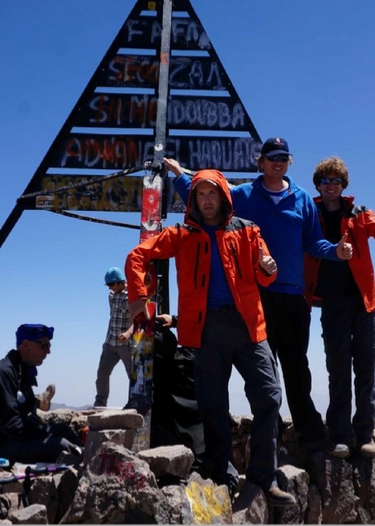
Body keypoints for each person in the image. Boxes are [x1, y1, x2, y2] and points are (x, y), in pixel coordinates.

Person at [164, 137, 354, 458]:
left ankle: (310, 438)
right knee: (264, 371)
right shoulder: (242, 195)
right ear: (261, 162)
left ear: (288, 162)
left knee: (297, 368)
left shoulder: (302, 199)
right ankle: (270, 442)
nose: (277, 162)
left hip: (294, 298)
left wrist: (336, 251)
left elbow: (313, 243)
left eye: (283, 157)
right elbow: (204, 197)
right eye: (271, 157)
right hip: (255, 297)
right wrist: (180, 174)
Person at [124, 168, 296, 508]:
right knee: (213, 406)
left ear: (223, 197)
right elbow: (138, 255)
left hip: (249, 327)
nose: (206, 200)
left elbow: (265, 276)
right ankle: (222, 476)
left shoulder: (248, 231)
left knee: (269, 398)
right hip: (205, 331)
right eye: (200, 195)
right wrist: (137, 298)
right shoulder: (183, 234)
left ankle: (263, 478)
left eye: (211, 194)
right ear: (193, 199)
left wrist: (268, 267)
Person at [304, 157, 375, 458]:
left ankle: (365, 436)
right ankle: (340, 435)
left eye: (336, 181)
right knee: (338, 370)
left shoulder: (357, 213)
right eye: (325, 180)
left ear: (343, 185)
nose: (331, 185)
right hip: (332, 304)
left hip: (363, 304)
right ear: (318, 185)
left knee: (365, 371)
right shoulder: (311, 213)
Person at [0, 323, 82, 463]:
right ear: (26, 345)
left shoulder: (21, 371)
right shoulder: (2, 372)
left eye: (49, 346)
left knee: (64, 430)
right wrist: (41, 433)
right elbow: (12, 426)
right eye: (44, 346)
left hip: (13, 440)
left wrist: (43, 431)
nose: (48, 352)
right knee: (59, 446)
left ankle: (87, 457)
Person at [94, 267, 134, 408]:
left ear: (120, 282)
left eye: (111, 285)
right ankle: (100, 403)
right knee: (102, 374)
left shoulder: (132, 295)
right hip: (110, 342)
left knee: (133, 376)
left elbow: (138, 320)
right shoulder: (111, 295)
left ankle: (134, 403)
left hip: (126, 345)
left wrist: (128, 333)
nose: (110, 288)